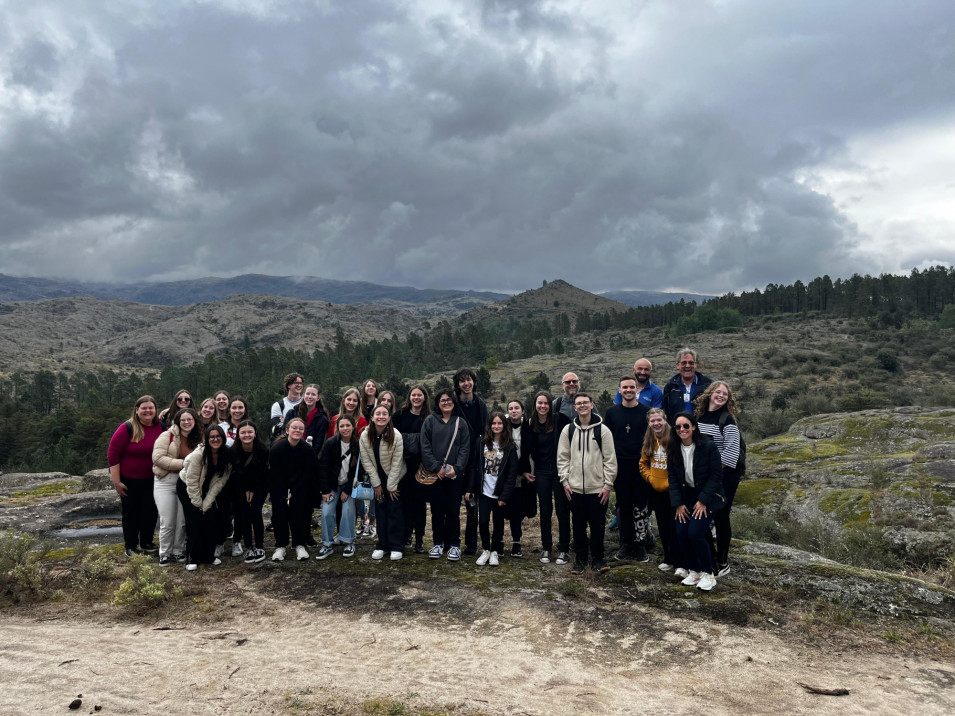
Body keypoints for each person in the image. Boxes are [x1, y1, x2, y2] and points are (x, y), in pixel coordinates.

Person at [558, 392, 617, 574]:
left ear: (592, 405)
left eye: (585, 402)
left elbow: (610, 460)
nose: (582, 406)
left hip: (597, 488)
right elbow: (562, 458)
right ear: (574, 408)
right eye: (579, 403)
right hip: (574, 488)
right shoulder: (568, 430)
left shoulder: (603, 431)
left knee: (598, 525)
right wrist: (565, 481)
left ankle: (598, 559)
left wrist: (607, 486)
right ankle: (581, 560)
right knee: (578, 525)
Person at [667, 412, 725, 591]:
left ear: (693, 427)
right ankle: (695, 571)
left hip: (708, 497)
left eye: (686, 426)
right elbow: (673, 479)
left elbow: (716, 476)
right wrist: (678, 503)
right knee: (682, 532)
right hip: (686, 497)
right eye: (678, 427)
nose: (682, 430)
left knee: (695, 533)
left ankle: (708, 574)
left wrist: (703, 501)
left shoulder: (708, 446)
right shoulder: (673, 448)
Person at [695, 381, 742, 577]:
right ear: (709, 394)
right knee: (701, 515)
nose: (721, 395)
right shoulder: (699, 416)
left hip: (725, 477)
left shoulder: (727, 420)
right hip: (703, 476)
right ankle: (709, 557)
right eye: (718, 392)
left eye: (725, 394)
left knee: (721, 516)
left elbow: (731, 453)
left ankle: (722, 561)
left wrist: (710, 473)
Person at [107, 395, 164, 557]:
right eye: (144, 408)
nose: (148, 411)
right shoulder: (127, 428)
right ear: (137, 410)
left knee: (150, 512)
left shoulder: (161, 427)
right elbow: (113, 454)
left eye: (150, 408)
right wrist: (116, 481)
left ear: (155, 410)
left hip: (153, 479)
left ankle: (146, 542)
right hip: (129, 480)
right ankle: (130, 546)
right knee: (131, 513)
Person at [603, 376, 651, 562]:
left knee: (641, 506)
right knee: (623, 506)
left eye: (632, 387)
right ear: (619, 389)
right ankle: (626, 543)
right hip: (619, 466)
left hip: (641, 466)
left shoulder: (646, 412)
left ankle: (640, 544)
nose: (629, 390)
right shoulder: (612, 412)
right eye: (625, 387)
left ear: (637, 389)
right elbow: (606, 440)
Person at [420, 389, 471, 561]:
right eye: (442, 400)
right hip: (435, 475)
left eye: (449, 400)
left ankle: (455, 545)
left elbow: (465, 448)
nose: (446, 402)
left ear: (454, 402)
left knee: (453, 511)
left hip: (455, 476)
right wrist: (436, 467)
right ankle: (438, 543)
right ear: (437, 403)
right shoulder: (430, 421)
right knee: (436, 511)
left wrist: (457, 468)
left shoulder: (460, 423)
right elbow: (425, 447)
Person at [524, 391, 571, 565]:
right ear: (535, 405)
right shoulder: (530, 424)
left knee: (562, 510)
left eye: (546, 403)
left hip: (560, 470)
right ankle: (546, 548)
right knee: (545, 510)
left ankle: (564, 549)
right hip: (541, 471)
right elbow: (526, 450)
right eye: (539, 403)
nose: (542, 406)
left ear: (550, 404)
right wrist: (525, 470)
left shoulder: (561, 419)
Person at [465, 412, 518, 566]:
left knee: (498, 523)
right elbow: (474, 467)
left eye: (499, 423)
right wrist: (470, 488)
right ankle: (486, 549)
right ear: (489, 426)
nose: (496, 426)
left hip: (500, 493)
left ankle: (495, 551)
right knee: (482, 522)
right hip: (484, 492)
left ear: (504, 425)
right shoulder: (481, 443)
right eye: (493, 423)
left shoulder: (509, 447)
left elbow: (511, 474)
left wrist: (505, 496)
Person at [151, 407, 202, 566]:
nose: (186, 422)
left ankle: (178, 550)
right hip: (165, 481)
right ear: (178, 422)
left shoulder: (199, 437)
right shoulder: (167, 435)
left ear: (194, 421)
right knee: (168, 520)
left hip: (186, 482)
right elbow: (158, 458)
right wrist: (185, 464)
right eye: (183, 420)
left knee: (182, 520)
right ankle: (165, 553)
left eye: (190, 419)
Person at [178, 425, 232, 570]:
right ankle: (192, 558)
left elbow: (219, 484)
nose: (215, 439)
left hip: (207, 487)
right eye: (212, 437)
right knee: (194, 520)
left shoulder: (226, 456)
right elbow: (192, 482)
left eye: (218, 436)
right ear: (207, 439)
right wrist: (197, 504)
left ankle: (208, 556)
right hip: (187, 486)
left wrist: (206, 504)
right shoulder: (198, 455)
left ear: (223, 438)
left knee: (210, 518)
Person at [359, 405, 406, 560]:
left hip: (395, 477)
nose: (381, 416)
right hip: (377, 478)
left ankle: (396, 546)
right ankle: (382, 545)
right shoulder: (365, 436)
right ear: (372, 417)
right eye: (377, 414)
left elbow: (397, 463)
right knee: (381, 510)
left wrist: (391, 486)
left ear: (389, 418)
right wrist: (377, 484)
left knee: (394, 511)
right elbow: (367, 462)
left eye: (384, 414)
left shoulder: (396, 436)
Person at [269, 417, 319, 561]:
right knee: (279, 514)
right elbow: (275, 472)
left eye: (300, 429)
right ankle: (280, 546)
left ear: (304, 432)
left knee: (300, 514)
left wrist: (294, 491)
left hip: (300, 487)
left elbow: (308, 473)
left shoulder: (307, 450)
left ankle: (299, 544)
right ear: (287, 430)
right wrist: (285, 491)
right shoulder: (277, 448)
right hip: (279, 486)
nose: (297, 431)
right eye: (294, 428)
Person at [316, 415, 362, 559]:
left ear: (353, 427)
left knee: (348, 510)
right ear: (337, 428)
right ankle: (327, 544)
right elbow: (322, 467)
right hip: (332, 485)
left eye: (348, 425)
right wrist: (325, 491)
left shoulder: (358, 444)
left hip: (349, 485)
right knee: (327, 512)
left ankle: (348, 541)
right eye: (341, 426)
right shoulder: (330, 443)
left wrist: (348, 490)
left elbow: (359, 470)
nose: (345, 428)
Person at [453, 368, 488, 556]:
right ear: (457, 384)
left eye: (469, 380)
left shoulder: (481, 404)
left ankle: (472, 544)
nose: (466, 384)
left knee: (472, 503)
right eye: (462, 381)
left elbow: (486, 430)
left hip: (475, 458)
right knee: (451, 505)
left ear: (474, 382)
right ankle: (452, 541)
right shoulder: (454, 404)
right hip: (456, 457)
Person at [639, 408, 677, 572]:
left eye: (659, 420)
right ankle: (668, 559)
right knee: (663, 526)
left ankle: (681, 561)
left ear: (665, 420)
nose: (656, 423)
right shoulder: (649, 439)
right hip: (657, 491)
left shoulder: (675, 438)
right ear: (649, 423)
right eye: (652, 421)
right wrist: (651, 478)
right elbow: (643, 464)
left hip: (674, 491)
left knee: (676, 527)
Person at [393, 385, 430, 553]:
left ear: (424, 397)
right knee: (405, 503)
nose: (416, 398)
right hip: (403, 466)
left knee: (420, 505)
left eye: (419, 395)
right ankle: (406, 535)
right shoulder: (400, 415)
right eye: (413, 395)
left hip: (422, 467)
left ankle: (420, 539)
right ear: (409, 397)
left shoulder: (429, 417)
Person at [229, 420, 270, 564]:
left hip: (260, 485)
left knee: (255, 512)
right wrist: (246, 489)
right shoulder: (233, 451)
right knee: (244, 513)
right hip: (240, 486)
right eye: (243, 432)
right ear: (238, 435)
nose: (247, 435)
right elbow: (236, 473)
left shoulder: (263, 450)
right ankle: (248, 547)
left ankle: (259, 546)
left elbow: (262, 473)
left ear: (255, 433)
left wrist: (252, 489)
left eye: (249, 432)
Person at [505, 399, 535, 557]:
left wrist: (524, 471)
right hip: (505, 474)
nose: (513, 410)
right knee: (504, 508)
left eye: (517, 408)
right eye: (510, 408)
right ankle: (500, 541)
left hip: (524, 473)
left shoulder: (529, 427)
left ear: (523, 411)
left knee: (519, 509)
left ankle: (516, 542)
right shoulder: (502, 425)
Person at [662, 349, 713, 424]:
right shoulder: (670, 387)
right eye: (684, 363)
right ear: (678, 365)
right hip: (679, 430)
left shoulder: (708, 385)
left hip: (702, 431)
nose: (687, 366)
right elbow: (665, 411)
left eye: (691, 363)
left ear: (695, 364)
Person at [285, 384, 330, 456]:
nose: (310, 397)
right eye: (308, 394)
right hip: (287, 453)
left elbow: (318, 444)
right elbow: (284, 434)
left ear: (318, 398)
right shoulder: (292, 413)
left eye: (313, 394)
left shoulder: (322, 419)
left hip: (307, 456)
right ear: (303, 395)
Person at [270, 373, 304, 438]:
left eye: (301, 383)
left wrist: (286, 420)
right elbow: (278, 426)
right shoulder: (278, 405)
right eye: (296, 383)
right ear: (288, 385)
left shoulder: (306, 404)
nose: (299, 385)